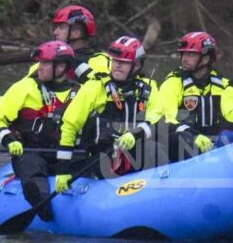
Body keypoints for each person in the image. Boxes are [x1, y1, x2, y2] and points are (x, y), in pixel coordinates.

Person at [54, 36, 162, 193]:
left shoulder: (149, 88)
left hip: (134, 153)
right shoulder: (95, 87)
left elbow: (157, 117)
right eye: (115, 60)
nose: (117, 65)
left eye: (124, 62)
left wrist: (135, 134)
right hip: (99, 156)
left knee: (156, 150)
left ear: (136, 65)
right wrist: (62, 170)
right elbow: (70, 126)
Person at [0, 40, 78, 221]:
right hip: (32, 153)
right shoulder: (25, 88)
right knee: (30, 164)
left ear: (61, 67)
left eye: (45, 63)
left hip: (67, 154)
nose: (39, 67)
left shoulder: (81, 93)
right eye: (40, 62)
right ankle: (44, 210)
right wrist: (9, 140)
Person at [159, 31, 229, 160]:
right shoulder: (172, 84)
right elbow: (166, 119)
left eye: (191, 54)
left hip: (214, 144)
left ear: (206, 58)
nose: (184, 58)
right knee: (183, 139)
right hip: (182, 144)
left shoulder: (224, 85)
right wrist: (193, 135)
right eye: (183, 53)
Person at [27, 5, 109, 82]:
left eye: (61, 28)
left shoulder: (97, 61)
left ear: (76, 33)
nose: (55, 32)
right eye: (56, 27)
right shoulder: (48, 60)